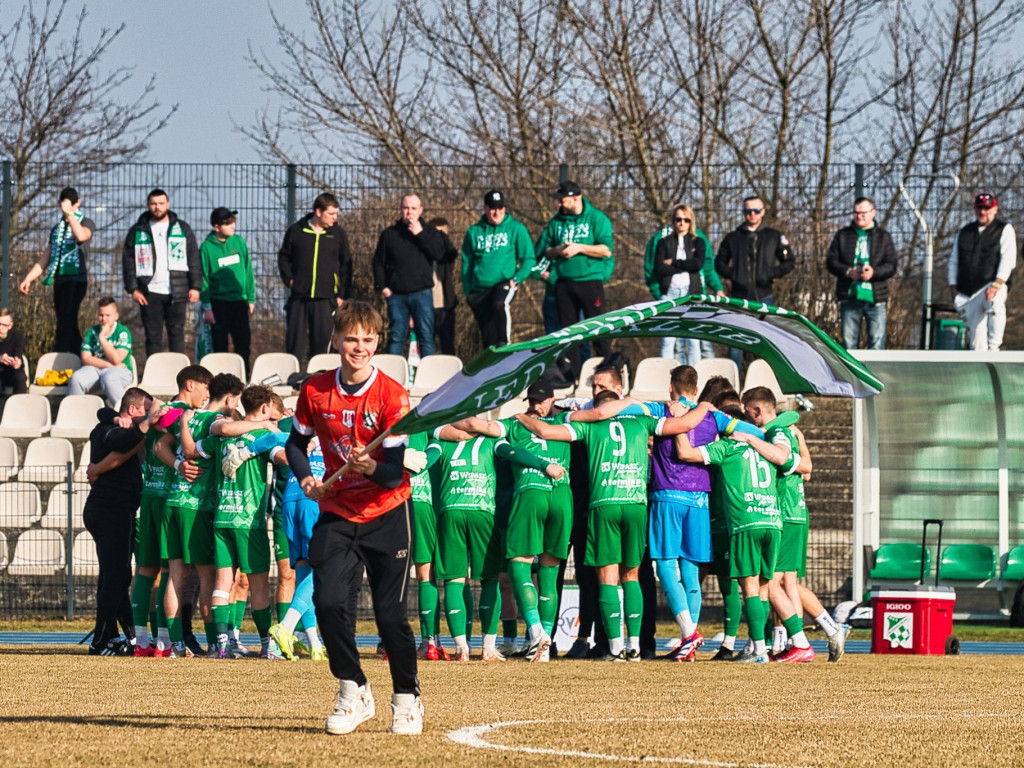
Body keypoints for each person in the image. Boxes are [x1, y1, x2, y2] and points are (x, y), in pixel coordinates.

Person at [285, 300, 422, 736]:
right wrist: (306, 478)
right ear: (336, 340)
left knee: (390, 615)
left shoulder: (392, 395)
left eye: (368, 339)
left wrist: (370, 467)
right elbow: (294, 445)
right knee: (327, 604)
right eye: (351, 339)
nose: (359, 347)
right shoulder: (315, 389)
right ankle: (354, 689)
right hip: (337, 511)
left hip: (388, 510)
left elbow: (394, 473)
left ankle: (407, 699)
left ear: (377, 342)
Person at [736, 387, 848, 662]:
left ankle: (799, 643)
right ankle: (815, 633)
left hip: (785, 514)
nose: (746, 418)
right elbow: (805, 470)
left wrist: (752, 439)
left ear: (757, 410)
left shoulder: (776, 433)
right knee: (787, 582)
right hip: (796, 513)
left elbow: (787, 459)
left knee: (771, 584)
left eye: (748, 413)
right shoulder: (787, 430)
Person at [83, 387, 157, 655]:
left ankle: (125, 636)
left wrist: (118, 418)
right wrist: (143, 425)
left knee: (117, 575)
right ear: (134, 410)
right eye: (146, 411)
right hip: (110, 510)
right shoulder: (109, 430)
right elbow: (121, 443)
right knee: (115, 577)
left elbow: (105, 413)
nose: (148, 415)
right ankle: (101, 640)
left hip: (113, 510)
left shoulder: (114, 423)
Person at [534, 180, 614, 380]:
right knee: (569, 333)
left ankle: (609, 372)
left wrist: (579, 247)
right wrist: (557, 250)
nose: (559, 204)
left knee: (598, 329)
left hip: (590, 282)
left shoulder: (596, 218)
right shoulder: (556, 222)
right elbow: (546, 251)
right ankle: (574, 376)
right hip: (564, 283)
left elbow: (606, 250)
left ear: (576, 198)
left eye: (562, 199)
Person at [716, 196, 795, 368]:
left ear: (763, 212)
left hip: (764, 296)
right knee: (735, 343)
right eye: (748, 211)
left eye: (756, 210)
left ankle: (765, 378)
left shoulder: (774, 236)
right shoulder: (733, 237)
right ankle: (734, 379)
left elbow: (789, 262)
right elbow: (719, 263)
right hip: (738, 297)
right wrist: (735, 275)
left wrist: (770, 274)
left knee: (765, 342)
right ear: (743, 212)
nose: (752, 214)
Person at [122, 188, 201, 356]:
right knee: (153, 337)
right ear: (147, 205)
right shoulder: (137, 230)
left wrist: (195, 287)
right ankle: (154, 370)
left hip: (177, 291)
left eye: (161, 203)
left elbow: (194, 258)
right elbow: (128, 262)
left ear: (168, 204)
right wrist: (133, 289)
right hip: (149, 292)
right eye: (153, 204)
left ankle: (179, 370)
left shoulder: (183, 228)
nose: (157, 207)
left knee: (177, 334)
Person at [278, 192, 353, 362]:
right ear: (318, 212)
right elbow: (283, 257)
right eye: (331, 213)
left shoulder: (338, 234)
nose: (335, 217)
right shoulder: (296, 231)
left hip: (325, 298)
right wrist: (289, 279)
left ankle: (321, 374)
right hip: (299, 297)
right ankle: (293, 374)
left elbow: (346, 265)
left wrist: (342, 293)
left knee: (322, 344)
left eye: (336, 213)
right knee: (294, 344)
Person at [19, 186, 94, 353]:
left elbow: (81, 236)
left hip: (76, 279)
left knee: (65, 321)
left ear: (77, 204)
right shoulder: (57, 229)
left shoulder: (86, 222)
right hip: (60, 280)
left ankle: (61, 354)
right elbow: (46, 257)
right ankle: (80, 354)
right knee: (66, 321)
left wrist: (70, 215)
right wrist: (28, 279)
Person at [373, 194, 448, 358]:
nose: (410, 212)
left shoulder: (430, 232)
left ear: (420, 210)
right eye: (406, 208)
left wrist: (420, 234)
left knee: (426, 336)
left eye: (414, 208)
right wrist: (383, 287)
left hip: (422, 293)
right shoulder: (390, 234)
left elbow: (439, 254)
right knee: (396, 337)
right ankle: (393, 372)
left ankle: (428, 372)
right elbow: (378, 262)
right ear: (401, 209)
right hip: (396, 295)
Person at [461, 190, 535, 349]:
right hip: (479, 289)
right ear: (485, 208)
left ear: (505, 209)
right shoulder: (474, 232)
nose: (497, 212)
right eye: (493, 208)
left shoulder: (516, 228)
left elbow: (529, 258)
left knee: (499, 304)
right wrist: (468, 292)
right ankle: (495, 358)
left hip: (504, 283)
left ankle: (505, 342)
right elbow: (467, 263)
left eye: (500, 208)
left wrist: (517, 279)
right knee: (488, 338)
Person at [948, 192, 1018, 351]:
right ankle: (980, 361)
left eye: (987, 208)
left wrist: (997, 284)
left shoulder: (1004, 230)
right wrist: (954, 289)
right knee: (976, 341)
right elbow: (953, 261)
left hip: (991, 286)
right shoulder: (964, 232)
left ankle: (994, 346)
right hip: (967, 293)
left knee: (995, 303)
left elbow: (1008, 260)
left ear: (995, 209)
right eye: (979, 208)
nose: (983, 212)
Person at [825, 197, 898, 350]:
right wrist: (848, 272)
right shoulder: (843, 235)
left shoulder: (883, 237)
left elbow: (891, 265)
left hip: (876, 298)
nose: (859, 216)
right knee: (849, 345)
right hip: (849, 296)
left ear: (873, 213)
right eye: (856, 213)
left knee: (877, 345)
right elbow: (831, 261)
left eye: (863, 213)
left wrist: (874, 273)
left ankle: (873, 368)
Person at [201, 207, 256, 373]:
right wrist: (207, 306)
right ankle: (221, 379)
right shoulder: (206, 247)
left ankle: (244, 377)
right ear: (216, 227)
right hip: (218, 303)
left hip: (239, 301)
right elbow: (204, 278)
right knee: (220, 346)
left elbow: (248, 270)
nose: (232, 226)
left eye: (233, 222)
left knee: (243, 344)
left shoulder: (238, 241)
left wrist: (251, 298)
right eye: (227, 223)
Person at [654, 204, 707, 364]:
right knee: (668, 339)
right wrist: (685, 265)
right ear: (673, 221)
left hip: (692, 293)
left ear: (691, 222)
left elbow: (698, 264)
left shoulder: (698, 242)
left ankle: (694, 375)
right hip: (670, 293)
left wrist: (674, 262)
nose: (682, 223)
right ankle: (666, 374)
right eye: (678, 219)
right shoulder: (664, 242)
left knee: (693, 340)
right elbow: (659, 268)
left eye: (686, 219)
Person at [68, 297, 135, 406]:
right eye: (101, 315)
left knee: (109, 378)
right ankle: (76, 412)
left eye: (108, 315)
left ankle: (126, 412)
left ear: (116, 316)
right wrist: (108, 365)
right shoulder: (92, 332)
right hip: (96, 370)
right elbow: (85, 358)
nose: (104, 319)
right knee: (76, 378)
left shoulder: (123, 332)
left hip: (120, 371)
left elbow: (117, 359)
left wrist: (102, 339)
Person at [425, 217, 459, 356]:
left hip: (445, 305)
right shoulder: (423, 255)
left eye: (443, 234)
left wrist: (442, 238)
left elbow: (452, 253)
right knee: (426, 343)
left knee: (448, 344)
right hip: (426, 305)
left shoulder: (446, 257)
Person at [0, 309, 28, 394]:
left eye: (4, 325)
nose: (0, 328)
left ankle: (20, 401)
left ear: (10, 325)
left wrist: (16, 362)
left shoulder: (17, 336)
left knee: (20, 378)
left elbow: (18, 354)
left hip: (12, 371)